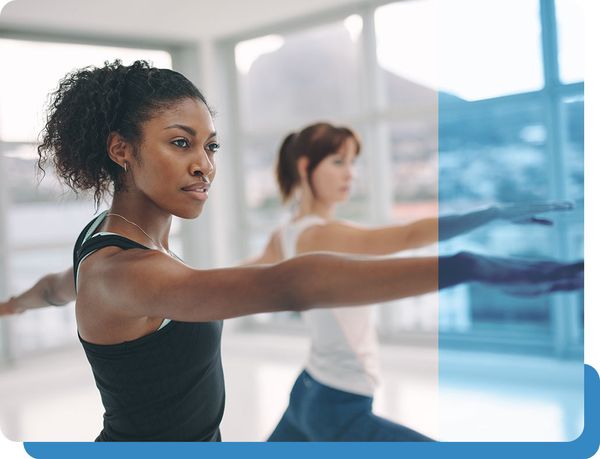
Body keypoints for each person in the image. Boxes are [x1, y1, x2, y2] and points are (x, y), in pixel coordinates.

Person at [0, 62, 582, 442]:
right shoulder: (128, 272)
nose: (205, 164)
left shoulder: (108, 241)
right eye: (181, 144)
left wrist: (13, 304)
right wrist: (466, 265)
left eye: (210, 145)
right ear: (120, 149)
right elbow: (292, 282)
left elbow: (58, 286)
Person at [242, 122, 580, 442]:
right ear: (305, 167)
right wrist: (492, 214)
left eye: (353, 162)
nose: (350, 173)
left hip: (309, 389)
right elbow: (409, 234)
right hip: (337, 405)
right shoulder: (323, 234)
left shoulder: (284, 234)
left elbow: (239, 276)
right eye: (338, 161)